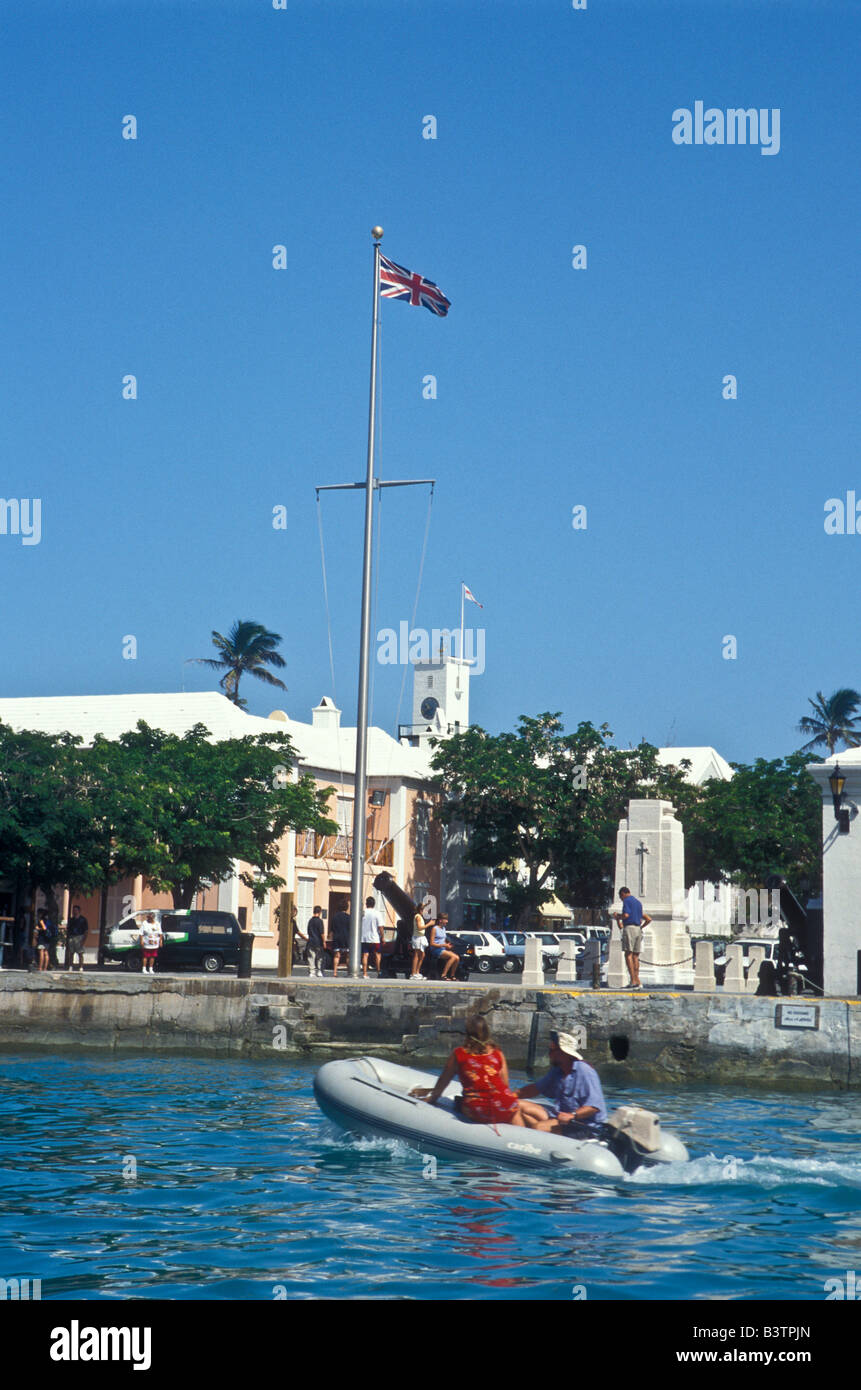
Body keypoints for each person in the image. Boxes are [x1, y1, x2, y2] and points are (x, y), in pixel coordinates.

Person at [411, 1013, 524, 1125]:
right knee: (515, 1111)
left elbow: (443, 1081)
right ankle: (523, 1138)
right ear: (486, 1032)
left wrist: (432, 1098)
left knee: (460, 1103)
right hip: (506, 1104)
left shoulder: (459, 1054)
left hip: (478, 1108)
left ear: (467, 1034)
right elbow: (505, 1085)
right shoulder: (497, 1053)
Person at [516, 1030, 608, 1133]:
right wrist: (511, 1096)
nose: (549, 1054)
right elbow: (536, 1088)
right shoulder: (557, 1070)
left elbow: (594, 1106)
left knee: (538, 1128)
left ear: (564, 1053)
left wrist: (572, 1115)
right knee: (517, 1105)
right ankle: (520, 1140)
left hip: (584, 1124)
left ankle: (530, 1138)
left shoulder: (585, 1071)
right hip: (559, 1117)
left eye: (552, 1050)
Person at [612, 886, 651, 989]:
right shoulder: (638, 903)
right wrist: (641, 927)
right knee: (635, 956)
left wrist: (618, 917)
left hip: (629, 928)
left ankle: (633, 980)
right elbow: (647, 918)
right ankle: (637, 980)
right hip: (638, 929)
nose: (621, 899)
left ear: (623, 894)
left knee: (628, 954)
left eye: (620, 897)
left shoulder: (627, 901)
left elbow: (626, 915)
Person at [427, 914, 459, 981]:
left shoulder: (443, 929)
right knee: (453, 957)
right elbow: (432, 943)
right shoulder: (434, 929)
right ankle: (443, 975)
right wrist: (444, 945)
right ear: (440, 920)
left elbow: (443, 941)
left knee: (457, 958)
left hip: (443, 949)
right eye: (445, 920)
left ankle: (452, 975)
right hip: (435, 950)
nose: (447, 921)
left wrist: (447, 945)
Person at [360, 896, 383, 979]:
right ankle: (378, 972)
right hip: (375, 938)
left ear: (366, 904)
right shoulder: (377, 913)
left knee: (365, 955)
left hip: (363, 938)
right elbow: (380, 927)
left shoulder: (362, 912)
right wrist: (382, 937)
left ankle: (365, 974)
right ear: (374, 904)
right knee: (377, 955)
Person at [330, 900, 351, 977]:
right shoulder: (349, 917)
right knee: (348, 956)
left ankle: (335, 972)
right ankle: (349, 972)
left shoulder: (335, 917)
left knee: (336, 955)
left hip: (337, 937)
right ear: (346, 907)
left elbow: (332, 929)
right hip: (346, 938)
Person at [66, 904, 88, 973]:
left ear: (79, 911)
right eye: (73, 910)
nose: (74, 911)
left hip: (79, 937)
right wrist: (68, 938)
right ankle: (70, 966)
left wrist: (83, 940)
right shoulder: (71, 920)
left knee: (80, 953)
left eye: (76, 910)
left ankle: (81, 967)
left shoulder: (83, 919)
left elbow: (86, 931)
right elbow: (68, 929)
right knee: (71, 953)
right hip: (72, 937)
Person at [306, 905, 327, 978]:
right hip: (318, 942)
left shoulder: (310, 921)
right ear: (320, 912)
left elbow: (308, 931)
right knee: (319, 957)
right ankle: (319, 971)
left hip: (311, 941)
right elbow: (322, 933)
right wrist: (324, 942)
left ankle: (311, 972)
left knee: (311, 957)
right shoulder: (320, 921)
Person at [410, 911, 428, 980]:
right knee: (417, 955)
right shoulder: (418, 916)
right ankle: (413, 973)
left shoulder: (420, 916)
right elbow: (419, 928)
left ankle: (417, 972)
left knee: (422, 955)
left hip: (420, 937)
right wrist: (429, 924)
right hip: (417, 937)